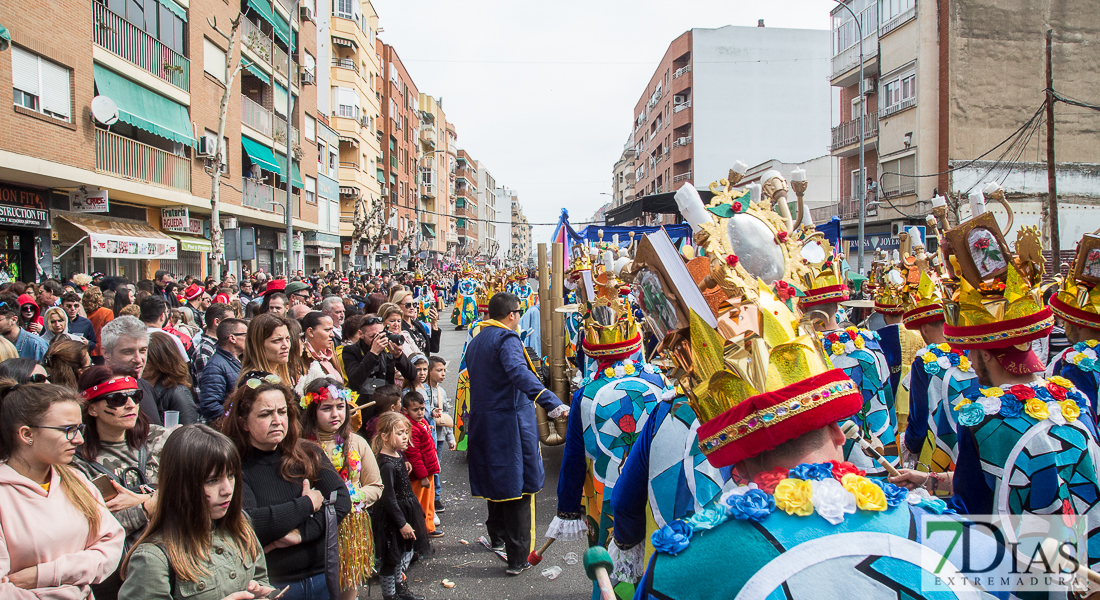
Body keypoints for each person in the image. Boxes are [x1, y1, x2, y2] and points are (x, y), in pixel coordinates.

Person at [463, 292, 567, 575]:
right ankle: (518, 557)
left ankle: (497, 539)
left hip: (484, 421)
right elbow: (519, 374)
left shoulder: (476, 340)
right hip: (509, 423)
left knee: (496, 481)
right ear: (512, 315)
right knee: (519, 487)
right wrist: (553, 404)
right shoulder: (506, 338)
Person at [220, 373, 351, 597]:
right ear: (243, 422)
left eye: (282, 412)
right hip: (273, 585)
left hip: (322, 576)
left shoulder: (308, 452)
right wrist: (307, 503)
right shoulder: (234, 467)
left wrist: (302, 533)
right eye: (265, 414)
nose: (277, 421)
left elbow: (341, 499)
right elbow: (252, 523)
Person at [0, 380, 125, 599]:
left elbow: (111, 545)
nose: (79, 439)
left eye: (79, 428)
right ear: (26, 435)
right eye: (68, 430)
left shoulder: (77, 481)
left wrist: (46, 574)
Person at [118, 424, 274, 600]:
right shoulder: (153, 558)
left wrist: (262, 593)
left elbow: (261, 579)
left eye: (231, 476)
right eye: (213, 480)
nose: (227, 490)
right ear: (181, 485)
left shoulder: (240, 527)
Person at [71, 366, 167, 599]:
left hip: (174, 555)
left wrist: (145, 501)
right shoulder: (76, 461)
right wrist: (151, 506)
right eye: (116, 398)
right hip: (119, 574)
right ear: (91, 408)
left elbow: (196, 494)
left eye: (135, 396)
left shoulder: (161, 439)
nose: (130, 405)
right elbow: (94, 526)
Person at [802, 263, 898, 476]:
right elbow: (887, 393)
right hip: (881, 450)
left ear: (803, 310)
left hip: (833, 460)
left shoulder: (804, 352)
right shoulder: (871, 341)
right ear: (837, 308)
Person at [299, 377, 383, 600]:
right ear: (312, 410)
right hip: (314, 530)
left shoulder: (357, 442)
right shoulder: (299, 448)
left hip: (351, 529)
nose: (335, 414)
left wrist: (353, 495)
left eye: (340, 407)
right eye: (326, 408)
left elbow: (376, 486)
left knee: (347, 587)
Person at [371, 412, 428, 600]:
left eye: (406, 432)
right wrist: (402, 523)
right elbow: (388, 497)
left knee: (400, 554)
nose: (406, 437)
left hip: (403, 510)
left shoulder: (396, 456)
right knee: (391, 558)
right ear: (385, 437)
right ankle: (390, 595)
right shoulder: (386, 465)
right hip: (392, 517)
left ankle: (400, 589)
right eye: (400, 433)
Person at [101, 316, 162, 426]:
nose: (138, 359)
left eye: (143, 350)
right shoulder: (94, 392)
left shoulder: (145, 386)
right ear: (106, 353)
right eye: (128, 352)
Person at [344, 315, 415, 405]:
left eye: (380, 335)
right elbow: (355, 382)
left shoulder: (387, 347)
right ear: (361, 334)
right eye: (372, 336)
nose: (377, 340)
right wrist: (373, 353)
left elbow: (412, 375)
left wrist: (399, 356)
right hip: (366, 405)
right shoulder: (351, 351)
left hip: (389, 402)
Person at [400, 390, 441, 539]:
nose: (420, 412)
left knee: (429, 501)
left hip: (427, 469)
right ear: (405, 410)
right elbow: (414, 455)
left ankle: (428, 526)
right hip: (419, 474)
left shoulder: (422, 422)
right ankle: (419, 527)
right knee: (419, 501)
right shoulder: (410, 428)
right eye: (415, 410)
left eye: (422, 409)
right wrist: (422, 475)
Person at [144, 331, 199, 425]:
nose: (140, 363)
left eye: (147, 360)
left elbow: (188, 431)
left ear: (161, 362)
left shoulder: (178, 393)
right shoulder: (141, 387)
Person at [199, 318, 247, 422]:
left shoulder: (240, 360)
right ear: (232, 338)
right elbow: (210, 407)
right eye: (245, 335)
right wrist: (238, 418)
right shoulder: (215, 366)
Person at [423, 356, 454, 514]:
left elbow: (447, 415)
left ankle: (436, 496)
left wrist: (451, 438)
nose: (443, 374)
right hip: (427, 435)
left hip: (440, 436)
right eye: (439, 370)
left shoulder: (440, 391)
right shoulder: (422, 391)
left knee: (436, 467)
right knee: (430, 467)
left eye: (444, 370)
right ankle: (433, 497)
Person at [239, 313, 295, 388]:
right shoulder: (255, 384)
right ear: (258, 345)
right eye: (277, 340)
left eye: (287, 339)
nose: (286, 346)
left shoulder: (277, 375)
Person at [0, 293, 48, 360]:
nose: (29, 310)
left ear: (13, 320)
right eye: (25, 308)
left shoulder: (37, 345)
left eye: (0, 319)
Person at [299, 311, 341, 383]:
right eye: (327, 330)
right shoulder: (300, 357)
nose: (332, 335)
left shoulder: (330, 352)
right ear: (310, 332)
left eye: (332, 330)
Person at [83, 286, 114, 365]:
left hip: (86, 348)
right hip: (101, 349)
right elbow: (110, 332)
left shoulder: (82, 312)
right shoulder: (107, 312)